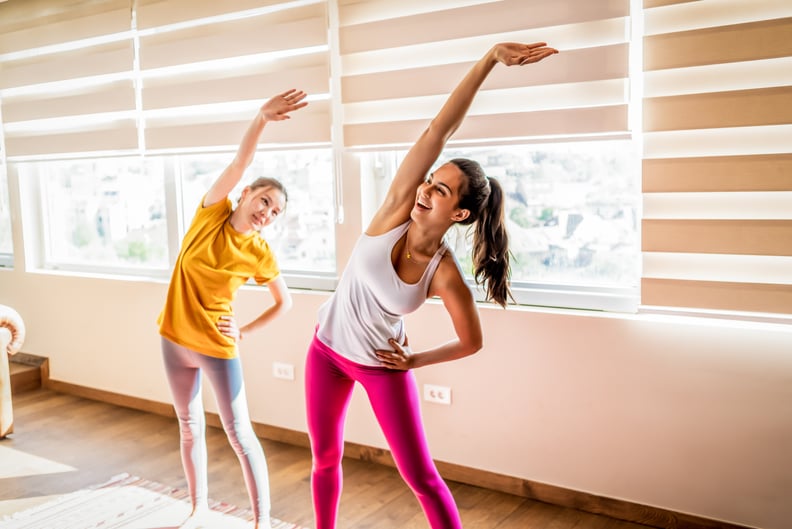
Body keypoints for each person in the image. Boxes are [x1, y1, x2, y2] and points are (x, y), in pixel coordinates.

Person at [304, 42, 558, 529]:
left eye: (440, 189)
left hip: (382, 366)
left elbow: (472, 341)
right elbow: (438, 130)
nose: (426, 189)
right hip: (326, 351)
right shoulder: (395, 209)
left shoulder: (444, 274)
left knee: (421, 478)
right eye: (430, 181)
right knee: (323, 458)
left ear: (459, 213)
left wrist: (415, 361)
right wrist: (489, 60)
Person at [157, 89, 308, 529]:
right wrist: (260, 118)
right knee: (188, 425)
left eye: (275, 212)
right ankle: (197, 508)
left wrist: (243, 331)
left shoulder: (260, 253)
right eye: (264, 201)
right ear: (245, 195)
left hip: (217, 347)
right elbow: (241, 162)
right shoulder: (210, 214)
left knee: (240, 435)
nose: (267, 212)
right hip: (172, 338)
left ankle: (262, 522)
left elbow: (286, 302)